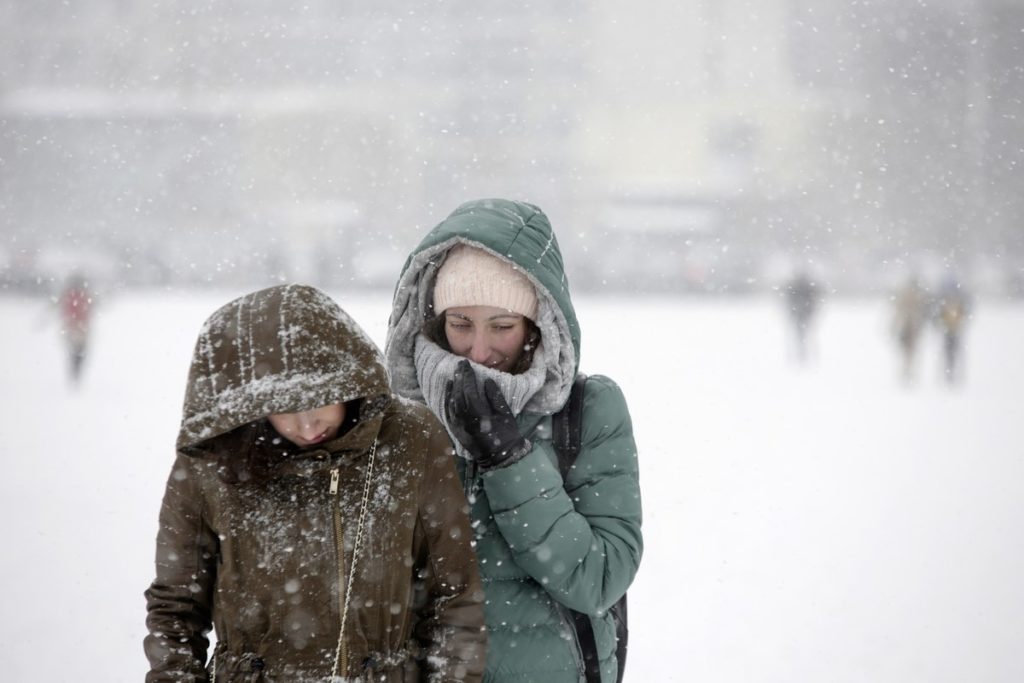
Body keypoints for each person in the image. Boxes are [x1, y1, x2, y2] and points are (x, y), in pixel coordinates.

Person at [144, 284, 486, 683]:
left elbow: (455, 597)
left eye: (322, 399)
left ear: (350, 383)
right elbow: (176, 610)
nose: (307, 425)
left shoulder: (411, 439)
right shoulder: (212, 463)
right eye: (285, 408)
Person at [384, 198, 643, 683]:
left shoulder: (587, 410)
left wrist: (508, 459)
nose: (479, 350)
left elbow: (600, 578)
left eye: (501, 326)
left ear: (535, 324)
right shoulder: (397, 413)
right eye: (460, 324)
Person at [891, 274, 930, 383]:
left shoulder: (917, 297)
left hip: (911, 327)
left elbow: (898, 312)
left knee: (909, 351)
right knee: (909, 351)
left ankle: (908, 370)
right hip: (908, 327)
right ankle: (907, 370)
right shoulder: (916, 297)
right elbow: (898, 312)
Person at [934, 273, 971, 384]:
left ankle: (952, 373)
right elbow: (939, 315)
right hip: (948, 330)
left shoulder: (958, 301)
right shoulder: (944, 301)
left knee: (954, 353)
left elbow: (964, 314)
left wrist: (959, 323)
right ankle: (948, 373)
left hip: (955, 330)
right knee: (948, 353)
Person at [58, 272, 93, 384]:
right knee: (78, 351)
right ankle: (76, 371)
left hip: (74, 327)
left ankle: (75, 370)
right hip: (78, 327)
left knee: (76, 351)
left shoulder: (70, 295)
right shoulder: (81, 295)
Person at [783, 268, 821, 364]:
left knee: (802, 335)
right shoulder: (805, 287)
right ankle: (803, 354)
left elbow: (790, 300)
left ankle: (804, 354)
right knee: (804, 335)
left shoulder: (796, 286)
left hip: (801, 314)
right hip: (802, 314)